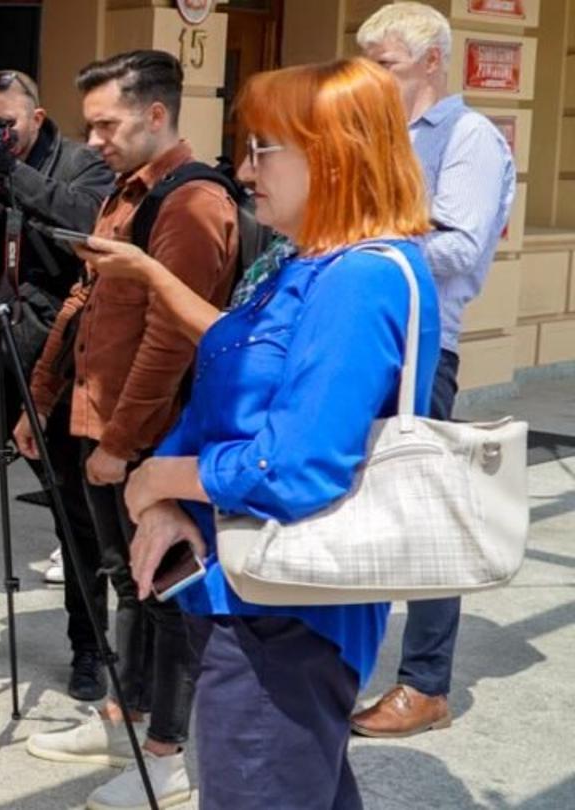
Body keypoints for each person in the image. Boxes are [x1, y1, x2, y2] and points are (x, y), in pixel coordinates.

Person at [119, 56, 441, 809]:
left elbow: (293, 467)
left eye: (263, 149)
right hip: (245, 593)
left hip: (288, 615)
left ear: (333, 155)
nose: (243, 169)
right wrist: (161, 497)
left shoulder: (361, 277)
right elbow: (221, 389)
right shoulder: (294, 263)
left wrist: (160, 478)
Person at [14, 50, 237, 810]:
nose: (95, 141)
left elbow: (171, 340)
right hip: (97, 421)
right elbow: (85, 298)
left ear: (155, 114)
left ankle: (166, 762)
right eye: (91, 126)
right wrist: (42, 395)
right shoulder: (126, 189)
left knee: (165, 594)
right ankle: (126, 719)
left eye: (107, 125)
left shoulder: (192, 203)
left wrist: (118, 444)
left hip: (152, 439)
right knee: (125, 581)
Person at [350, 1, 517, 739]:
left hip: (422, 346)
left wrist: (366, 240)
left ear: (430, 62)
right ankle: (344, 661)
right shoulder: (375, 134)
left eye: (383, 64)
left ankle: (426, 683)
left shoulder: (468, 138)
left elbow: (458, 248)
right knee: (358, 502)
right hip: (367, 335)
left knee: (423, 510)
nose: (371, 76)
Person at [0, 69, 116, 689]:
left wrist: (9, 170)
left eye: (4, 126)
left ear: (36, 119)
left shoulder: (81, 163)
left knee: (74, 510)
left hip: (51, 360)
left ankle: (90, 646)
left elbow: (87, 225)